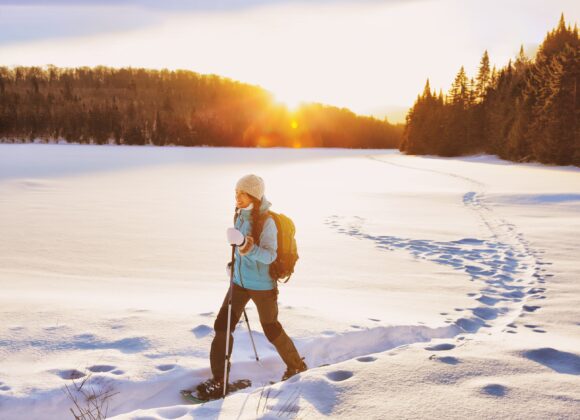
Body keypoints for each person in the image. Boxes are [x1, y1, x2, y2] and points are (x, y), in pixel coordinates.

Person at [196, 174, 307, 399]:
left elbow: (269, 255)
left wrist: (247, 247)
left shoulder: (266, 222)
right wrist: (235, 265)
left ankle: (296, 366)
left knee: (271, 327)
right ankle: (219, 380)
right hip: (239, 283)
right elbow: (239, 249)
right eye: (235, 193)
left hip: (262, 286)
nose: (236, 197)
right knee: (222, 326)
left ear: (253, 196)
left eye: (242, 193)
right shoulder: (240, 215)